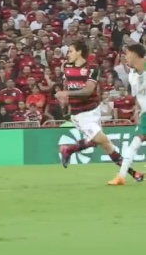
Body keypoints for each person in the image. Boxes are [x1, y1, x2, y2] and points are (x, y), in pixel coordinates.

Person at [57, 40, 142, 182]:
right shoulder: (66, 67)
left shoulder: (92, 68)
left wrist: (66, 93)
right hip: (80, 114)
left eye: (71, 51)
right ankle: (133, 173)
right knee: (105, 141)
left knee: (101, 143)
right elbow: (67, 84)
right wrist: (65, 102)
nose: (68, 54)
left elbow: (88, 91)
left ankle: (69, 149)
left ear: (79, 52)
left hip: (94, 110)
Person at [109, 43, 146, 186]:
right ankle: (121, 176)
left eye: (127, 54)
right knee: (135, 142)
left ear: (135, 54)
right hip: (145, 114)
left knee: (135, 142)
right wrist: (138, 110)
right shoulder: (132, 75)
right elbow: (138, 96)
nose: (125, 58)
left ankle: (121, 176)